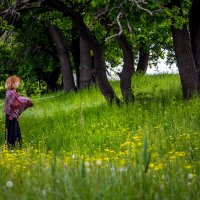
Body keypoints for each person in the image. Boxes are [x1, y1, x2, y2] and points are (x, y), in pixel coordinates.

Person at [4, 76, 33, 148]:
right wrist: (26, 100)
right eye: (17, 82)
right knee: (11, 133)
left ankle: (17, 146)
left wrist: (26, 100)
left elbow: (18, 99)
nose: (19, 83)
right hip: (10, 117)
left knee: (16, 132)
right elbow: (15, 103)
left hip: (13, 116)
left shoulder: (12, 92)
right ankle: (11, 147)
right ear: (13, 83)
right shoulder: (10, 93)